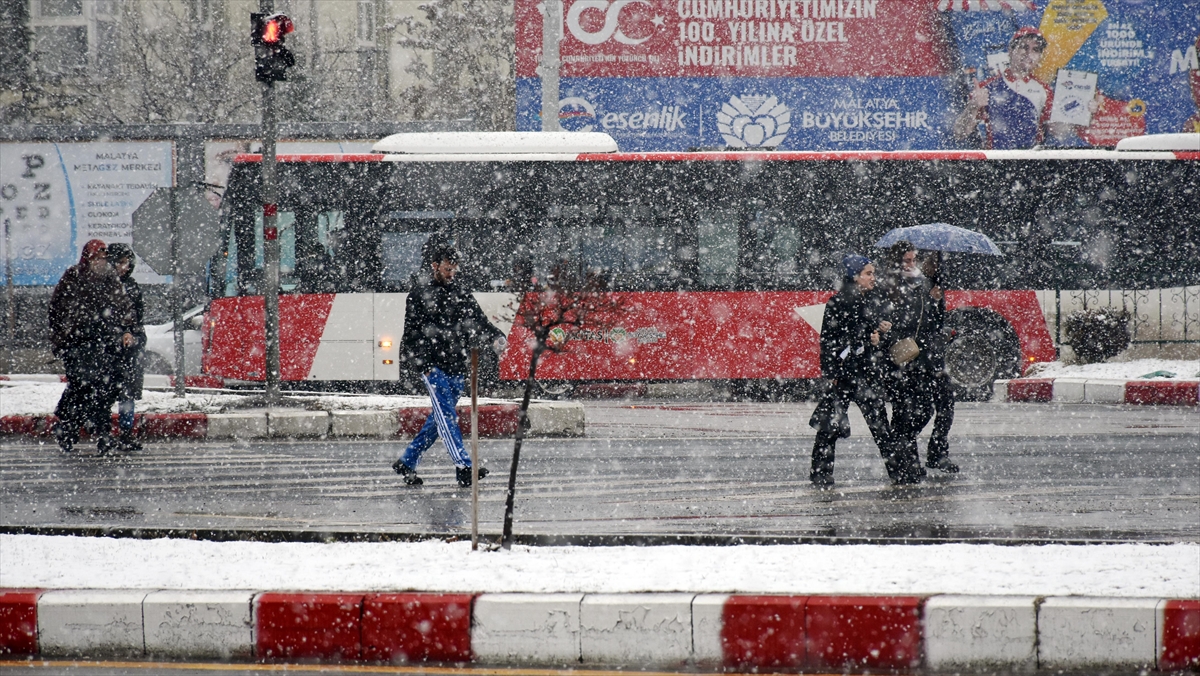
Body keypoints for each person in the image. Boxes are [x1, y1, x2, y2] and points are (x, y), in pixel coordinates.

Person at [392, 243, 507, 487]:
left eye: (454, 269)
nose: (451, 274)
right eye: (447, 269)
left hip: (456, 363)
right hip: (433, 366)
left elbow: (478, 320)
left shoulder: (461, 292)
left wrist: (496, 335)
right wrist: (423, 364)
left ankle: (407, 461)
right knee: (447, 416)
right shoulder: (419, 293)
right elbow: (411, 333)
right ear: (435, 265)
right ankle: (464, 466)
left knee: (439, 420)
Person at [810, 254, 922, 487]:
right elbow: (830, 341)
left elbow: (871, 335)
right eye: (868, 273)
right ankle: (822, 473)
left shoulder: (870, 299)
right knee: (832, 426)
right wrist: (832, 372)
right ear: (855, 276)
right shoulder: (839, 302)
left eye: (873, 273)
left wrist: (880, 331)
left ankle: (898, 473)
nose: (873, 277)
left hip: (864, 373)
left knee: (879, 426)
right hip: (845, 374)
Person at [49, 240, 135, 454]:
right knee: (80, 388)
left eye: (103, 258)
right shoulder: (74, 276)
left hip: (103, 343)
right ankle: (68, 429)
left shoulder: (110, 278)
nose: (100, 263)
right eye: (96, 258)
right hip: (77, 344)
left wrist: (125, 327)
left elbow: (123, 305)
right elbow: (57, 308)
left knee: (104, 390)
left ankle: (103, 434)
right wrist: (62, 337)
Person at [882, 242, 959, 477]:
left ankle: (937, 452)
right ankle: (908, 457)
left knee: (945, 404)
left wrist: (935, 302)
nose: (910, 264)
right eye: (906, 260)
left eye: (913, 259)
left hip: (931, 358)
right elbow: (899, 323)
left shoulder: (926, 283)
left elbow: (935, 323)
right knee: (913, 412)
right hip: (907, 360)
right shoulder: (889, 287)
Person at [953, 28, 1066, 149]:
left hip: (1032, 163)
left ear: (1040, 56)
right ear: (1011, 50)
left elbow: (1059, 132)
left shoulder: (1045, 91)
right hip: (995, 162)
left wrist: (1079, 114)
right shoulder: (986, 87)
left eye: (1036, 50)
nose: (1029, 54)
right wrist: (973, 106)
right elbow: (960, 133)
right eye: (1024, 47)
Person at [106, 244, 146, 452]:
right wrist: (118, 334)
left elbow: (138, 319)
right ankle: (103, 433)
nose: (124, 266)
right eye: (119, 262)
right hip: (108, 352)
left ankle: (126, 432)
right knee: (105, 392)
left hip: (129, 353)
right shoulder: (103, 286)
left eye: (126, 262)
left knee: (126, 394)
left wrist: (133, 336)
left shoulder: (131, 286)